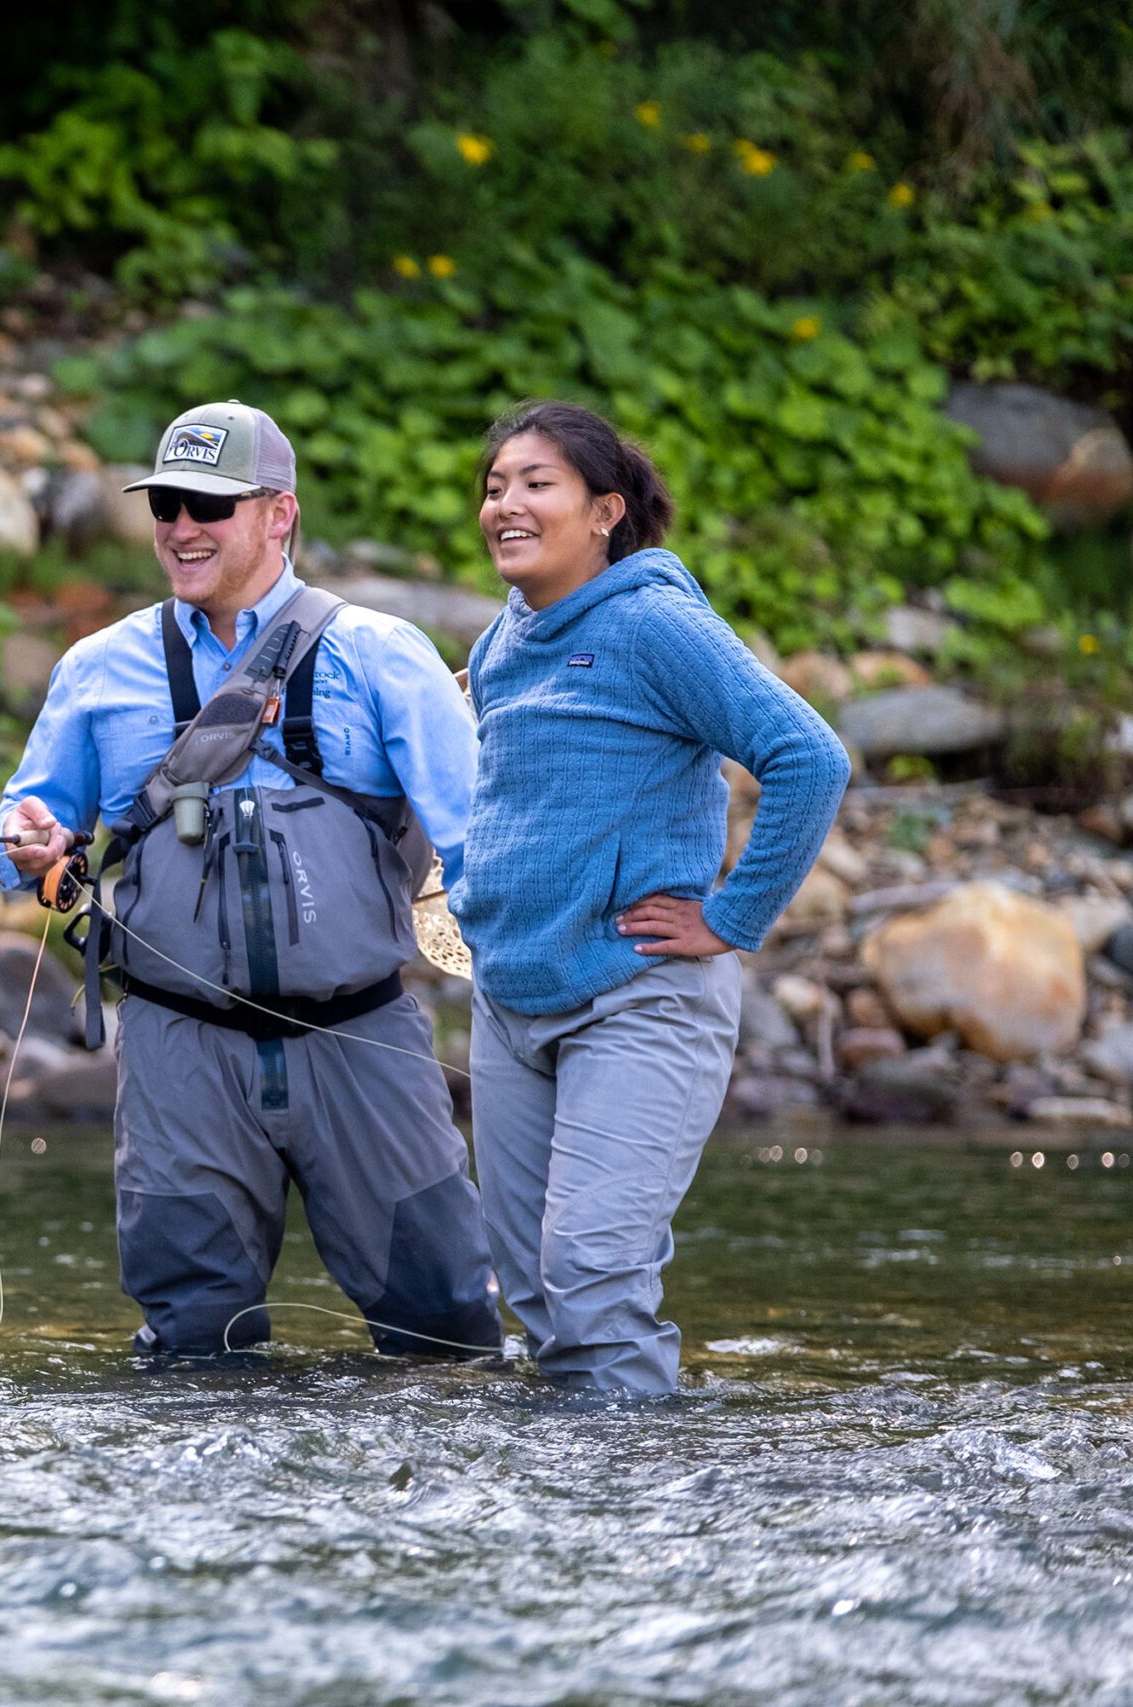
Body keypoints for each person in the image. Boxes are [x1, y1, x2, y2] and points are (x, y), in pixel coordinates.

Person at [0, 401, 501, 1360]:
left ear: (279, 515)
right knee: (192, 1342)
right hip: (178, 1046)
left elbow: (482, 843)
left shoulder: (382, 653)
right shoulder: (98, 668)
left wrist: (532, 994)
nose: (181, 527)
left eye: (210, 505)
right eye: (167, 504)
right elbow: (21, 822)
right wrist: (30, 843)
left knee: (446, 1328)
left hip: (362, 1033)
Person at [453, 399, 850, 1397]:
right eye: (495, 485)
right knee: (540, 1297)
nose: (506, 503)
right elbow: (502, 792)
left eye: (536, 483)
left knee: (591, 1274)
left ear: (604, 510)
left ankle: (639, 1501)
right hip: (510, 1004)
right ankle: (567, 1513)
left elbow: (808, 758)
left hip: (638, 996)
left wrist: (729, 917)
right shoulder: (502, 643)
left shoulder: (652, 623)